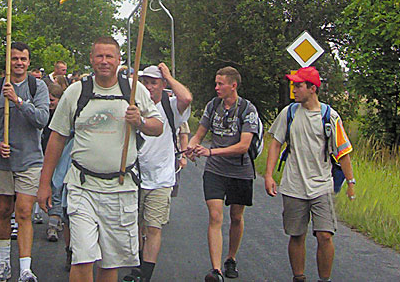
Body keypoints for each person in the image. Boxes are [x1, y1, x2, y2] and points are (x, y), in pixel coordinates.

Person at [38, 36, 163, 282]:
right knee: (82, 257)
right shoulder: (76, 92)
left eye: (109, 56)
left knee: (110, 262)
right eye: (99, 56)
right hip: (82, 187)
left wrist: (140, 121)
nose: (104, 61)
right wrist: (44, 184)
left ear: (119, 60)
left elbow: (157, 126)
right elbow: (57, 138)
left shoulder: (134, 90)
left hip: (121, 187)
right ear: (91, 60)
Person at [264, 66, 355, 282]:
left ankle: (325, 279)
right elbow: (276, 144)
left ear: (313, 88)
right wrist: (268, 175)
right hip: (293, 185)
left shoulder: (329, 116)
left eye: (299, 85)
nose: (294, 89)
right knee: (297, 235)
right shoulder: (289, 113)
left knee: (325, 235)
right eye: (294, 85)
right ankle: (299, 277)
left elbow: (343, 152)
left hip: (321, 185)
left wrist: (350, 182)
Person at [0, 41, 49, 282]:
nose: (19, 63)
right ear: (8, 62)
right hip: (2, 161)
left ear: (29, 62)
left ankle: (25, 268)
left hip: (29, 159)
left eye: (23, 59)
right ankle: (4, 263)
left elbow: (42, 119)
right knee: (4, 211)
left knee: (25, 212)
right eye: (14, 59)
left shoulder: (37, 87)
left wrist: (17, 101)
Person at [186, 66, 259, 282]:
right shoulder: (213, 106)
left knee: (236, 216)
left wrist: (211, 151)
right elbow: (199, 133)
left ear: (233, 86)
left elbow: (244, 146)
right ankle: (216, 270)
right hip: (215, 170)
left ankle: (231, 258)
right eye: (216, 83)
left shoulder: (247, 109)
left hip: (239, 169)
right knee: (215, 215)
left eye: (220, 84)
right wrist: (192, 146)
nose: (216, 87)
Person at [122, 63, 192, 282]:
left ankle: (145, 275)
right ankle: (138, 266)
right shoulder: (134, 106)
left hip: (161, 178)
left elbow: (187, 99)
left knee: (153, 226)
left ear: (162, 85)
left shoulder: (170, 107)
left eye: (154, 82)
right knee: (136, 227)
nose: (149, 87)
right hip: (134, 176)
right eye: (146, 82)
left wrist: (168, 76)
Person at [41, 81, 67, 242]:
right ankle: (53, 221)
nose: (50, 104)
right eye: (47, 100)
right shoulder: (44, 115)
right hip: (44, 156)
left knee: (58, 189)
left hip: (63, 157)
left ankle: (55, 221)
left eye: (53, 100)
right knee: (52, 189)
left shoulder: (64, 116)